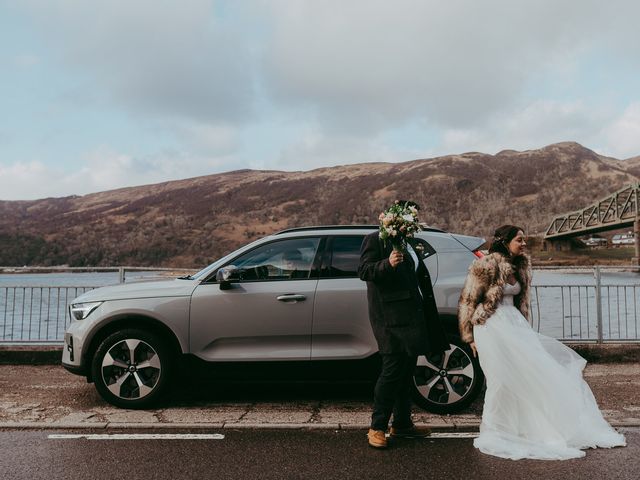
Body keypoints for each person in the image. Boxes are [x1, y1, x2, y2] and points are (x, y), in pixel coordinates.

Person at [458, 225, 626, 460]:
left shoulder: (521, 266)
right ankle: (497, 430)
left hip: (515, 326)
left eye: (524, 239)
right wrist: (469, 337)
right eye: (519, 240)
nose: (524, 243)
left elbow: (519, 300)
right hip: (490, 326)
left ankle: (523, 427)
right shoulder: (486, 265)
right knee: (500, 379)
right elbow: (468, 300)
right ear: (505, 242)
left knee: (527, 375)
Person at [358, 201, 449, 449]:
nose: (410, 224)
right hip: (390, 319)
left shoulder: (409, 244)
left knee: (405, 371)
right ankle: (377, 427)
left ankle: (402, 424)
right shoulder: (375, 240)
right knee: (391, 371)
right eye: (407, 220)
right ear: (391, 219)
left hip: (412, 317)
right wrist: (387, 264)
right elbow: (364, 271)